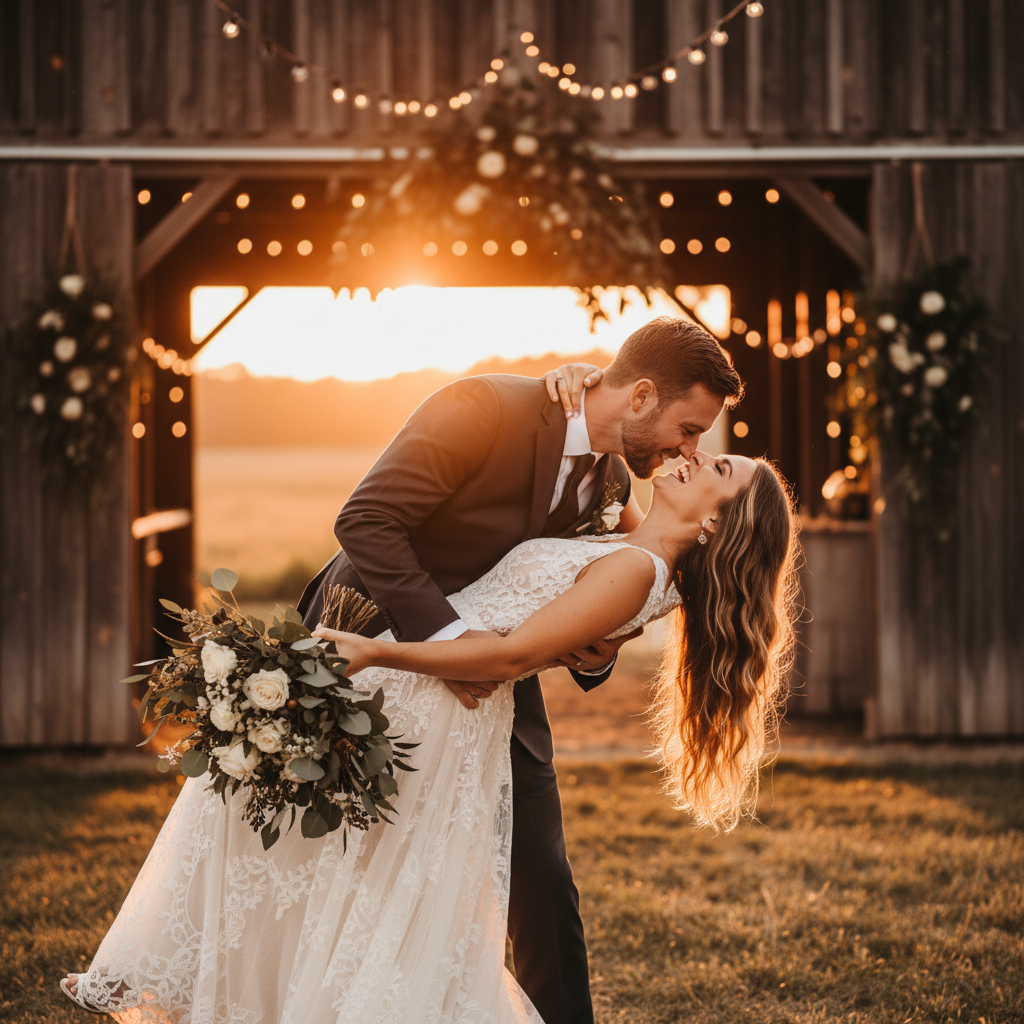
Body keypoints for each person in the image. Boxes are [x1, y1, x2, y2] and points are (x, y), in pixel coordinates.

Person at [60, 317, 753, 1021]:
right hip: (378, 640)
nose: (688, 449)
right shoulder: (483, 409)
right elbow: (366, 520)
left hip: (492, 682)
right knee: (311, 849)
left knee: (540, 872)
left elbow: (623, 580)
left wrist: (596, 650)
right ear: (640, 397)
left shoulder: (607, 479)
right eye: (689, 428)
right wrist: (450, 645)